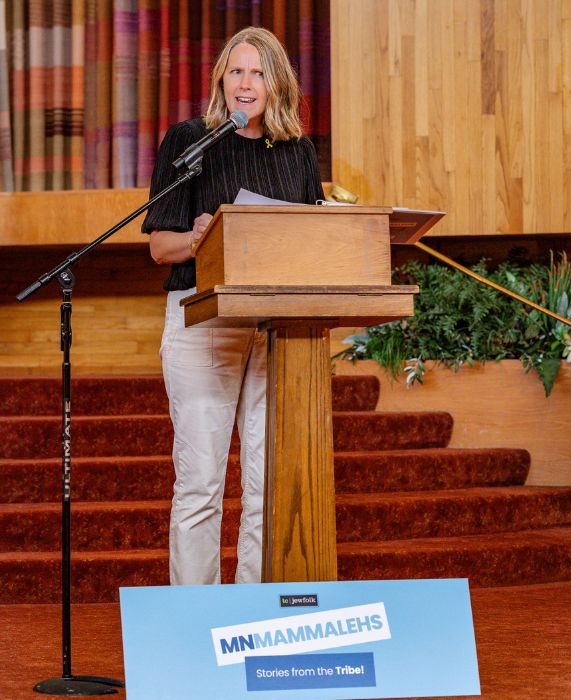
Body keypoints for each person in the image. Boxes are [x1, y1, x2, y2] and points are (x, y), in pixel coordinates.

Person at [142, 26, 324, 586]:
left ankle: (254, 615)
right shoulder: (189, 141)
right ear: (222, 77)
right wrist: (199, 237)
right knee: (201, 483)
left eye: (258, 72)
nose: (246, 83)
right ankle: (198, 622)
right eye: (236, 71)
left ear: (277, 83)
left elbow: (316, 243)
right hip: (204, 320)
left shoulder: (297, 151)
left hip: (275, 329)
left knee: (267, 482)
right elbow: (159, 247)